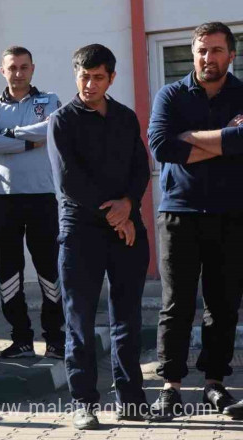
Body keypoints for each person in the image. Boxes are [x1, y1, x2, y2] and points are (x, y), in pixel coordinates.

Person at [47, 44, 160, 429]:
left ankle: (131, 398)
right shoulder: (62, 120)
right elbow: (69, 181)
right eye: (83, 76)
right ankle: (83, 402)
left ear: (111, 78)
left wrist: (128, 204)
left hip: (127, 228)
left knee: (126, 316)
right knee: (79, 319)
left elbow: (140, 167)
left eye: (98, 77)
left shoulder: (125, 117)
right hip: (81, 232)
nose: (90, 84)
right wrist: (117, 216)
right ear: (75, 75)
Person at [148, 22, 243, 420]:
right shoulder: (170, 94)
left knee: (222, 305)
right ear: (193, 52)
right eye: (202, 50)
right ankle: (170, 388)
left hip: (232, 214)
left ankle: (214, 385)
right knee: (176, 304)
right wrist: (225, 142)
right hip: (179, 212)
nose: (209, 58)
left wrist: (190, 137)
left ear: (231, 55)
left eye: (217, 50)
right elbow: (160, 146)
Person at [0, 46, 65, 360]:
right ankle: (21, 339)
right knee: (9, 271)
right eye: (12, 67)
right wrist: (30, 141)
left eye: (23, 67)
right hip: (4, 199)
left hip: (42, 197)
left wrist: (12, 134)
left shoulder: (49, 100)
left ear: (32, 69)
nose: (18, 73)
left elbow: (51, 129)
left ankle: (55, 339)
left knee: (48, 269)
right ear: (3, 71)